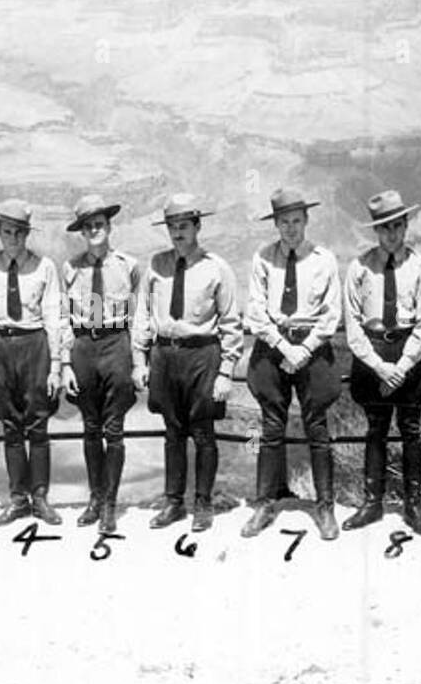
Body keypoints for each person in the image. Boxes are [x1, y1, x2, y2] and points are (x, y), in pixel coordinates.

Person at [133, 192, 243, 533]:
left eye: (184, 225)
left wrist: (226, 370)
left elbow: (231, 322)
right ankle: (173, 503)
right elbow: (143, 314)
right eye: (172, 226)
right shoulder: (156, 265)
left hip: (202, 355)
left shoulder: (216, 267)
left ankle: (204, 504)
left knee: (203, 432)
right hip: (165, 355)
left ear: (198, 226)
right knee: (172, 432)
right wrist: (140, 359)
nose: (177, 232)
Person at [241, 188, 343, 540]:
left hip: (312, 346)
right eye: (284, 222)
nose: (291, 228)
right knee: (270, 426)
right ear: (276, 224)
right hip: (274, 343)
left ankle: (325, 506)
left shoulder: (323, 259)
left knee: (317, 426)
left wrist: (306, 348)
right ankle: (265, 504)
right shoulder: (263, 258)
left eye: (297, 221)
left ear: (306, 220)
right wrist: (284, 346)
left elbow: (332, 314)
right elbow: (255, 310)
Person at [342, 190, 421, 536]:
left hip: (411, 354)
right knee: (375, 429)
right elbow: (353, 325)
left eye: (397, 225)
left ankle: (414, 504)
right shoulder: (359, 268)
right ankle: (372, 503)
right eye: (384, 228)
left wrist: (403, 365)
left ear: (406, 224)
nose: (392, 234)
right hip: (372, 353)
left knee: (411, 430)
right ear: (375, 231)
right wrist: (379, 366)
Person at [0, 199, 64, 527]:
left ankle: (40, 497)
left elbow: (55, 317)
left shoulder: (45, 267)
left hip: (34, 344)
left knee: (38, 423)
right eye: (7, 231)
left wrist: (55, 365)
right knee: (9, 425)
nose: (13, 238)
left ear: (27, 234)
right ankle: (17, 499)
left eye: (20, 232)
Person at [59, 194, 141, 534]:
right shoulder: (71, 268)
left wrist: (138, 361)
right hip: (83, 346)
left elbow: (139, 317)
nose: (95, 230)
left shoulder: (128, 266)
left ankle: (110, 503)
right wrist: (64, 363)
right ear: (82, 231)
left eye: (100, 224)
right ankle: (95, 498)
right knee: (90, 427)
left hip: (115, 344)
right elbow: (64, 318)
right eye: (88, 226)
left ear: (109, 227)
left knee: (114, 429)